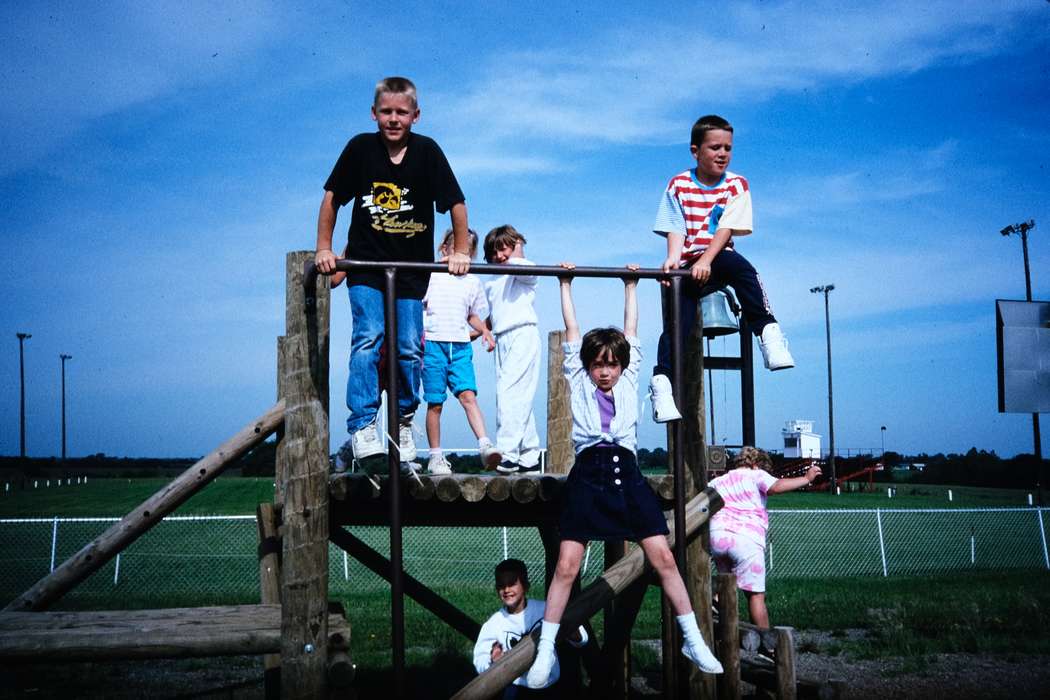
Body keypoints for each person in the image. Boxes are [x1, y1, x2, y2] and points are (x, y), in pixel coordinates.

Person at [524, 264, 723, 689]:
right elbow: (571, 328)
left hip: (628, 475)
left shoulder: (630, 377)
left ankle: (692, 637)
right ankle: (545, 653)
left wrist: (631, 286)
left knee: (664, 557)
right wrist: (565, 284)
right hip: (588, 475)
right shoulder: (577, 380)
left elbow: (632, 331)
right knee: (566, 565)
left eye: (612, 365)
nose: (605, 371)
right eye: (598, 364)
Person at [314, 76, 471, 469]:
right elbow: (332, 199)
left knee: (408, 348)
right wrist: (324, 248)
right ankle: (364, 425)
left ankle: (401, 422)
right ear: (374, 114)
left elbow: (456, 203)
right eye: (386, 112)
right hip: (367, 267)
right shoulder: (360, 149)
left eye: (402, 112)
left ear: (416, 115)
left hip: (410, 272)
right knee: (368, 338)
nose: (394, 119)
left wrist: (463, 251)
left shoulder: (428, 152)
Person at [649, 114, 794, 424]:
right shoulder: (679, 184)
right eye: (715, 147)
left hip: (719, 257)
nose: (722, 154)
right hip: (690, 265)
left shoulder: (737, 185)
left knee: (745, 271)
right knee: (679, 324)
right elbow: (675, 224)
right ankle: (662, 383)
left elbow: (727, 228)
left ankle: (767, 330)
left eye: (728, 148)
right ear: (695, 151)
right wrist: (674, 259)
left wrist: (706, 260)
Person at [708, 447, 821, 628]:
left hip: (717, 537)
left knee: (727, 582)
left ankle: (719, 608)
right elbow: (776, 486)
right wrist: (806, 479)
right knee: (755, 596)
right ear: (755, 464)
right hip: (746, 540)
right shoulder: (756, 475)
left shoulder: (718, 481)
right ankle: (766, 645)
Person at [422, 228, 501, 474]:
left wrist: (485, 331)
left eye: (465, 249)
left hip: (460, 345)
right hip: (433, 344)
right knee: (435, 403)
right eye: (454, 246)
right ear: (444, 248)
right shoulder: (431, 274)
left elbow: (472, 315)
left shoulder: (472, 281)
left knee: (468, 396)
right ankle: (435, 456)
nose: (458, 252)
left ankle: (485, 445)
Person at [473, 559, 587, 696]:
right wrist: (492, 663)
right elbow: (479, 658)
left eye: (512, 584)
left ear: (526, 586)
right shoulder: (494, 623)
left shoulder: (546, 610)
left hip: (548, 683)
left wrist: (573, 633)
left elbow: (582, 639)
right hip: (515, 686)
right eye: (501, 586)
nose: (506, 590)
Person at [483, 225, 541, 474]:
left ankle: (507, 452)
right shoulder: (493, 281)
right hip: (502, 337)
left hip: (523, 333)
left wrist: (517, 247)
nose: (499, 256)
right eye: (493, 252)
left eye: (503, 248)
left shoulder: (521, 270)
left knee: (510, 394)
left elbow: (527, 270)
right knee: (518, 396)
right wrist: (482, 331)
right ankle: (529, 454)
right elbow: (495, 313)